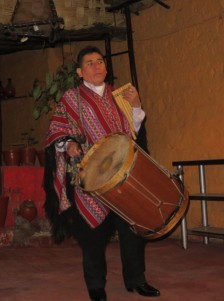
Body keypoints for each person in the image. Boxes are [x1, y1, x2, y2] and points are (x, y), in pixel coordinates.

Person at [43, 46, 160, 301]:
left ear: (106, 67)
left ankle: (136, 280)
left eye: (100, 62)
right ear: (79, 71)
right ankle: (96, 286)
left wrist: (137, 105)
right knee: (92, 235)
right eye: (89, 63)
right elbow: (58, 131)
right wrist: (69, 144)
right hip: (91, 178)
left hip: (123, 176)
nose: (96, 67)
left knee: (132, 229)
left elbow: (134, 131)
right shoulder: (71, 98)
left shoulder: (119, 96)